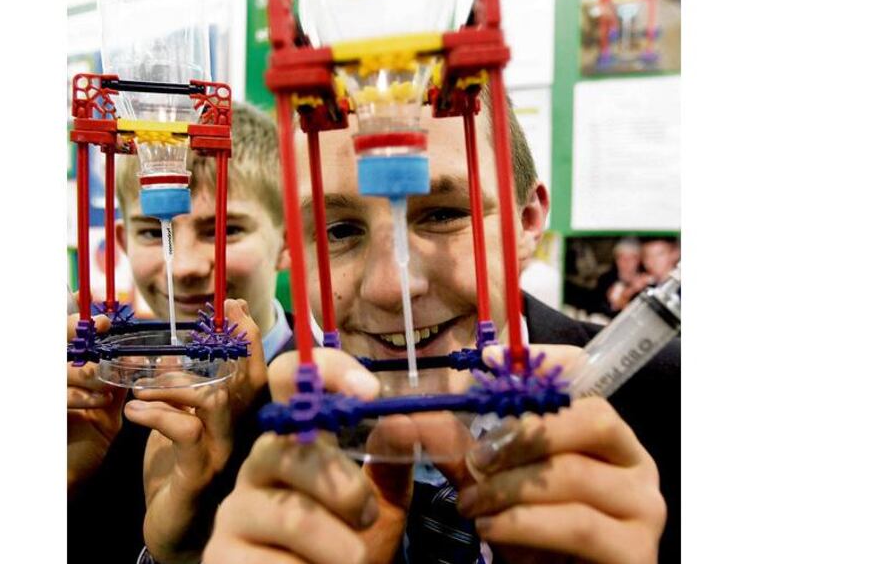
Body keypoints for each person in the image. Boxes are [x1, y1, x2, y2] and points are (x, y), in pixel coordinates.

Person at [204, 90, 680, 563]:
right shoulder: (261, 425)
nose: (391, 287)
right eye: (339, 230)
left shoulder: (672, 405)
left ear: (528, 222)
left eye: (444, 214)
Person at [67, 101, 297, 564]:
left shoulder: (330, 399)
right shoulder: (101, 406)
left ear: (289, 242)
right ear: (121, 244)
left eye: (226, 230)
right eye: (154, 233)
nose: (185, 266)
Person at [600, 236, 651, 315]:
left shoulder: (648, 281)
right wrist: (631, 289)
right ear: (616, 259)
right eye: (621, 257)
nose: (626, 262)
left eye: (631, 257)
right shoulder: (606, 279)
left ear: (639, 260)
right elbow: (605, 309)